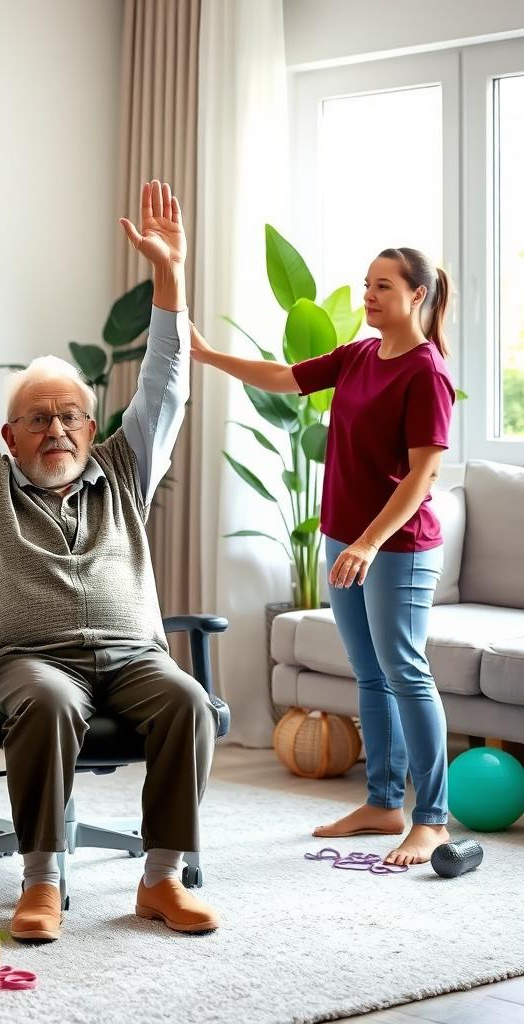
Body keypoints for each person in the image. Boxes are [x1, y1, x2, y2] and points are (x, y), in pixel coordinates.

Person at [0, 176, 221, 940]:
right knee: (49, 702)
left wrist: (171, 277)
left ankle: (161, 880)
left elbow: (167, 387)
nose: (59, 428)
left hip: (130, 656)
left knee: (188, 701)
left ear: (93, 425)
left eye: (73, 415)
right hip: (27, 661)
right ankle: (41, 880)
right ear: (9, 434)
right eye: (38, 417)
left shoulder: (123, 468)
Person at [191, 247, 455, 866]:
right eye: (366, 284)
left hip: (397, 548)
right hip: (345, 539)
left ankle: (433, 820)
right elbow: (286, 377)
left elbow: (423, 476)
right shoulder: (360, 355)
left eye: (383, 286)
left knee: (406, 672)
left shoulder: (426, 372)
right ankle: (384, 801)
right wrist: (206, 355)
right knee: (369, 674)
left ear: (417, 295)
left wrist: (369, 542)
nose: (369, 295)